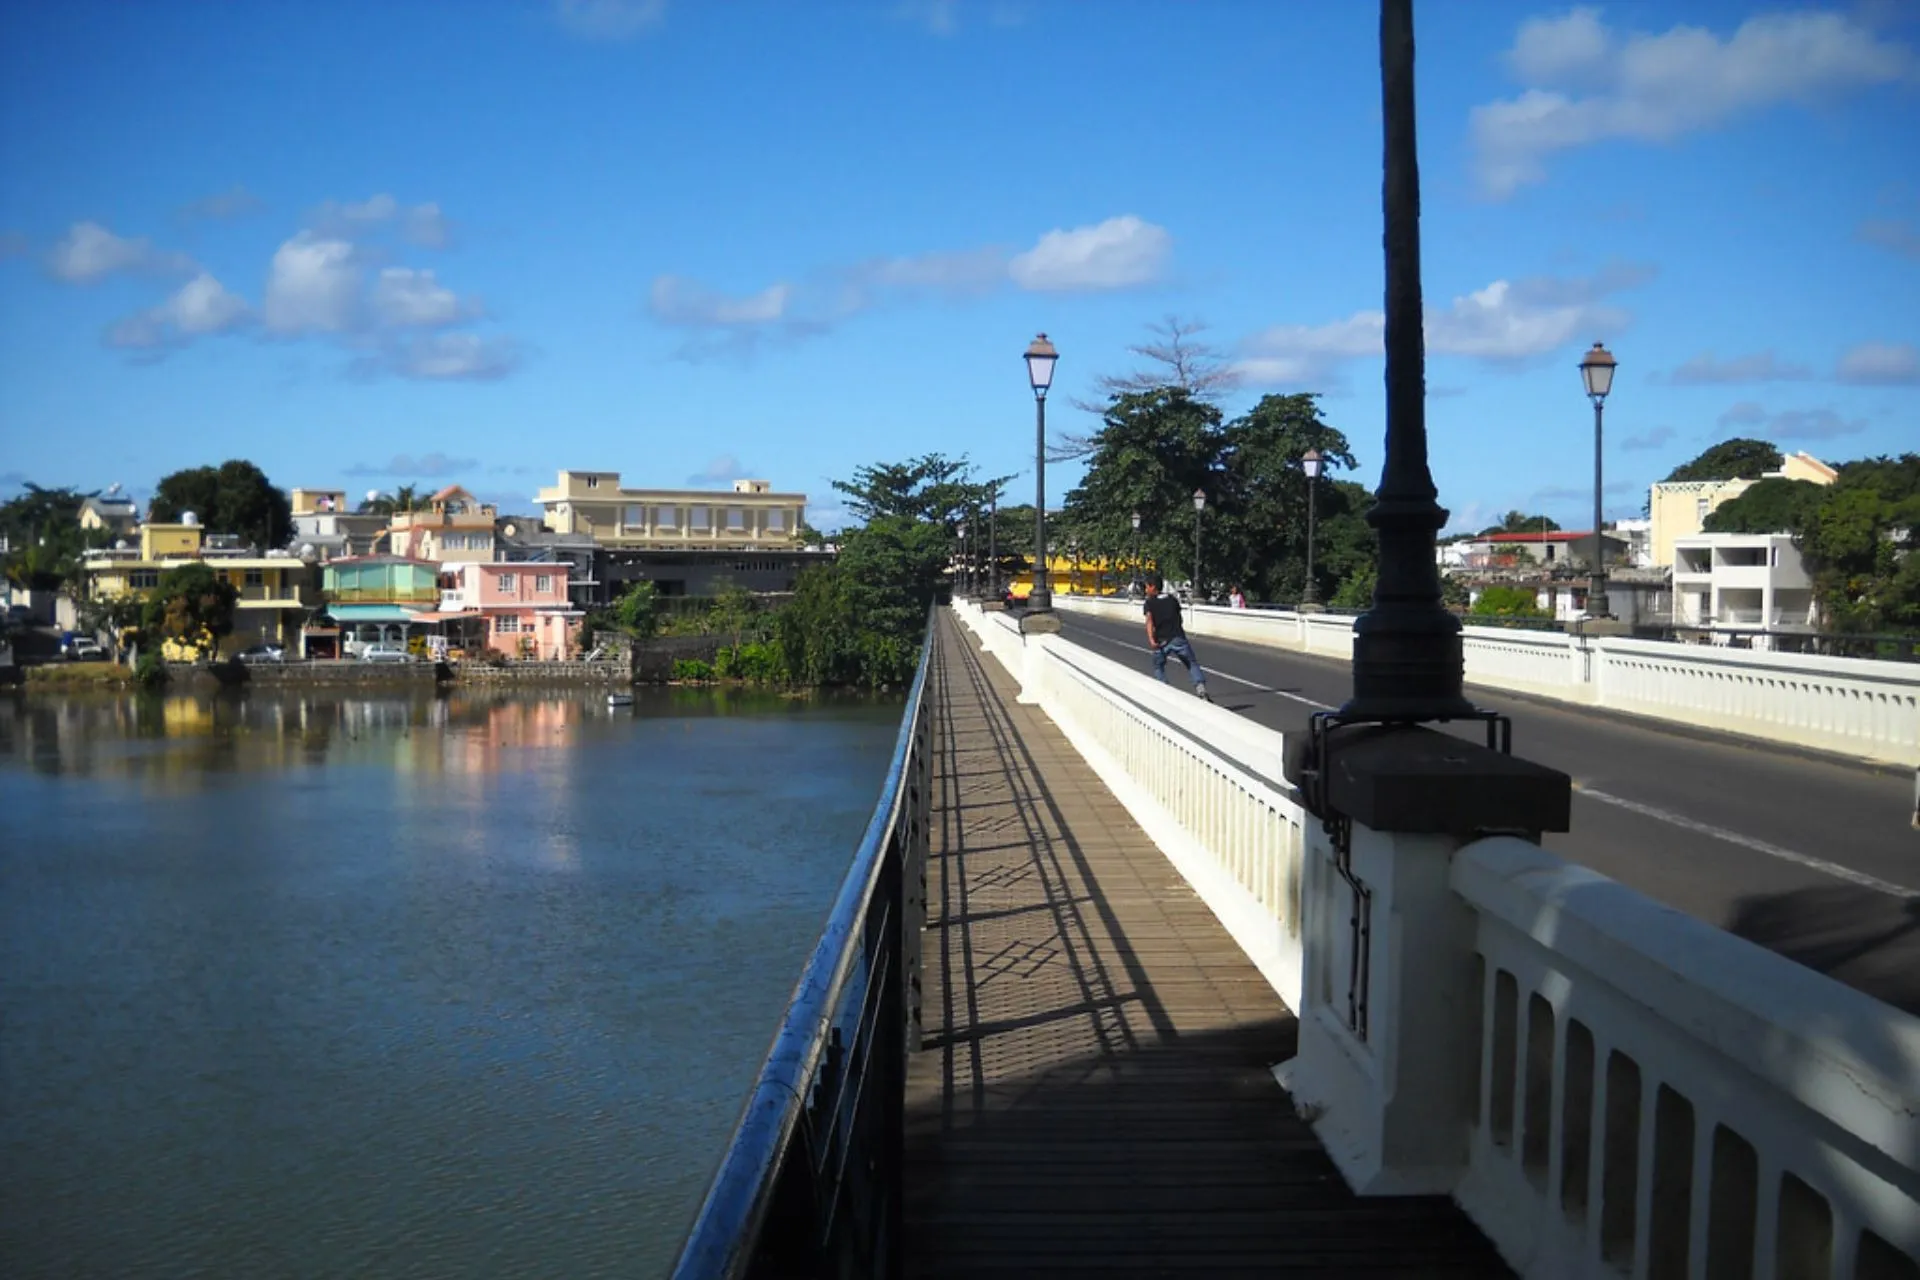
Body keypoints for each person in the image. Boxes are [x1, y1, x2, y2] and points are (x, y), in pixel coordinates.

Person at [1142, 573, 1210, 700]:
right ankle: (1201, 690)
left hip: (1161, 641)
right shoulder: (1172, 599)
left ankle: (1166, 692)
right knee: (1191, 663)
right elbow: (1179, 618)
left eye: (1146, 587)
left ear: (1153, 587)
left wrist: (1151, 639)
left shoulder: (1149, 603)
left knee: (1158, 666)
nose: (1145, 590)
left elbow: (1149, 621)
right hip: (1178, 637)